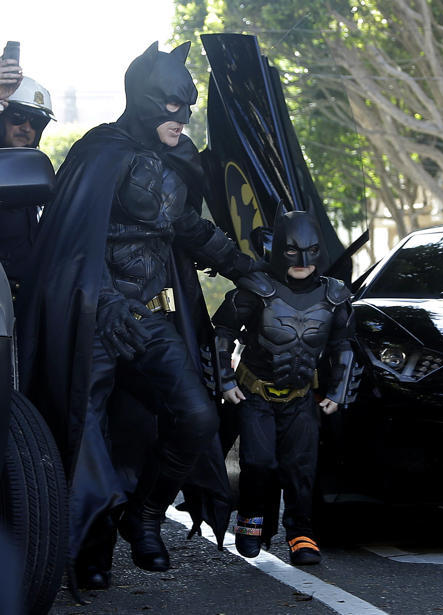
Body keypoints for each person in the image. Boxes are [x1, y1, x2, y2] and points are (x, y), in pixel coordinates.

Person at [17, 42, 259, 591]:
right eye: (175, 107)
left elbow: (190, 230)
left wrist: (251, 270)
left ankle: (144, 513)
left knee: (197, 416)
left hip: (150, 318)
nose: (183, 117)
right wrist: (104, 302)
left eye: (188, 106)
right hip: (92, 320)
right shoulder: (99, 153)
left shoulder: (177, 158)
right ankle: (90, 547)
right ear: (147, 102)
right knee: (85, 432)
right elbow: (75, 242)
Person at [212, 210, 356, 566]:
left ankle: (300, 534)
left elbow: (345, 346)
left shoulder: (334, 295)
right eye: (292, 251)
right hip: (255, 394)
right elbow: (221, 334)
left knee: (300, 467)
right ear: (279, 250)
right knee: (258, 463)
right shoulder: (256, 289)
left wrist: (338, 392)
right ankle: (250, 523)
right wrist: (226, 380)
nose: (302, 261)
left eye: (310, 251)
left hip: (301, 397)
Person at [0, 76, 55, 302]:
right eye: (18, 117)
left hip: (28, 300)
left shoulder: (40, 173)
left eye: (37, 122)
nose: (26, 128)